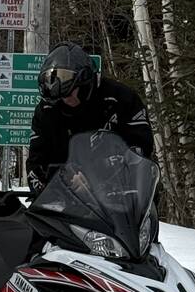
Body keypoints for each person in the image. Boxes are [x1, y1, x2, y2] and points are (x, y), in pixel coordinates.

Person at [26, 42, 154, 193]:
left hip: (121, 194)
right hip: (63, 197)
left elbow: (140, 149)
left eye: (70, 93)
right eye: (61, 97)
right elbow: (36, 162)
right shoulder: (47, 110)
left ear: (85, 83)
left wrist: (97, 175)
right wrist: (56, 182)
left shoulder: (121, 99)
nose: (66, 100)